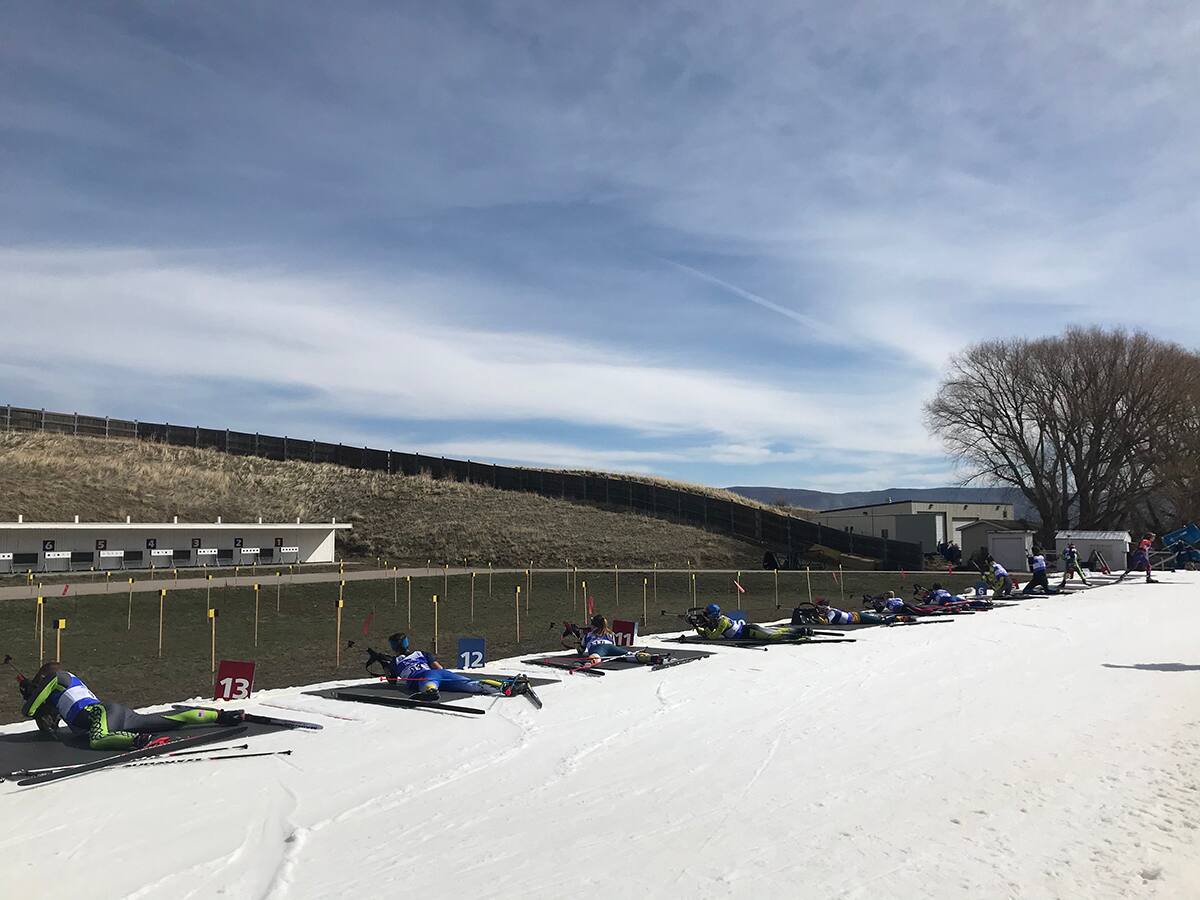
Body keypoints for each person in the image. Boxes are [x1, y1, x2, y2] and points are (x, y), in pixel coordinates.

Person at [19, 662, 241, 751]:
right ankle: (223, 716)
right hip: (115, 713)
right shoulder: (62, 693)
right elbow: (48, 728)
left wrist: (31, 694)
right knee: (165, 720)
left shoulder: (58, 677)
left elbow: (28, 710)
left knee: (98, 740)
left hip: (100, 713)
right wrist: (41, 704)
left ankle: (140, 740)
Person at [369, 633, 528, 702]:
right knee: (472, 685)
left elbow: (392, 682)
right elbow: (439, 668)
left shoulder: (394, 662)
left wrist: (384, 663)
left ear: (394, 647)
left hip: (424, 677)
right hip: (440, 674)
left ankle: (430, 691)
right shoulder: (421, 653)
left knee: (427, 682)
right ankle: (505, 687)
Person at [563, 616, 668, 666]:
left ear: (594, 625)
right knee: (629, 655)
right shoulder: (610, 634)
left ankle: (589, 663)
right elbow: (613, 645)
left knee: (596, 656)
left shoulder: (588, 635)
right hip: (611, 647)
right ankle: (652, 658)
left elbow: (581, 651)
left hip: (598, 648)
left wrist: (578, 644)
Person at [692, 603, 813, 642]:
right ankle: (802, 631)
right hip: (747, 631)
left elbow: (712, 636)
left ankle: (800, 635)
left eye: (707, 614)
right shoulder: (718, 620)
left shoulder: (722, 621)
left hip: (750, 632)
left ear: (712, 614)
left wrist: (703, 627)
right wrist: (697, 627)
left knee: (774, 635)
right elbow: (709, 634)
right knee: (776, 631)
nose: (705, 616)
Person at [811, 598, 894, 626]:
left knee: (881, 621)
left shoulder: (831, 613)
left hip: (858, 617)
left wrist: (817, 616)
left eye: (820, 608)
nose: (819, 610)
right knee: (878, 619)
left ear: (824, 608)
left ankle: (896, 618)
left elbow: (825, 622)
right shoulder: (828, 612)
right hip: (856, 617)